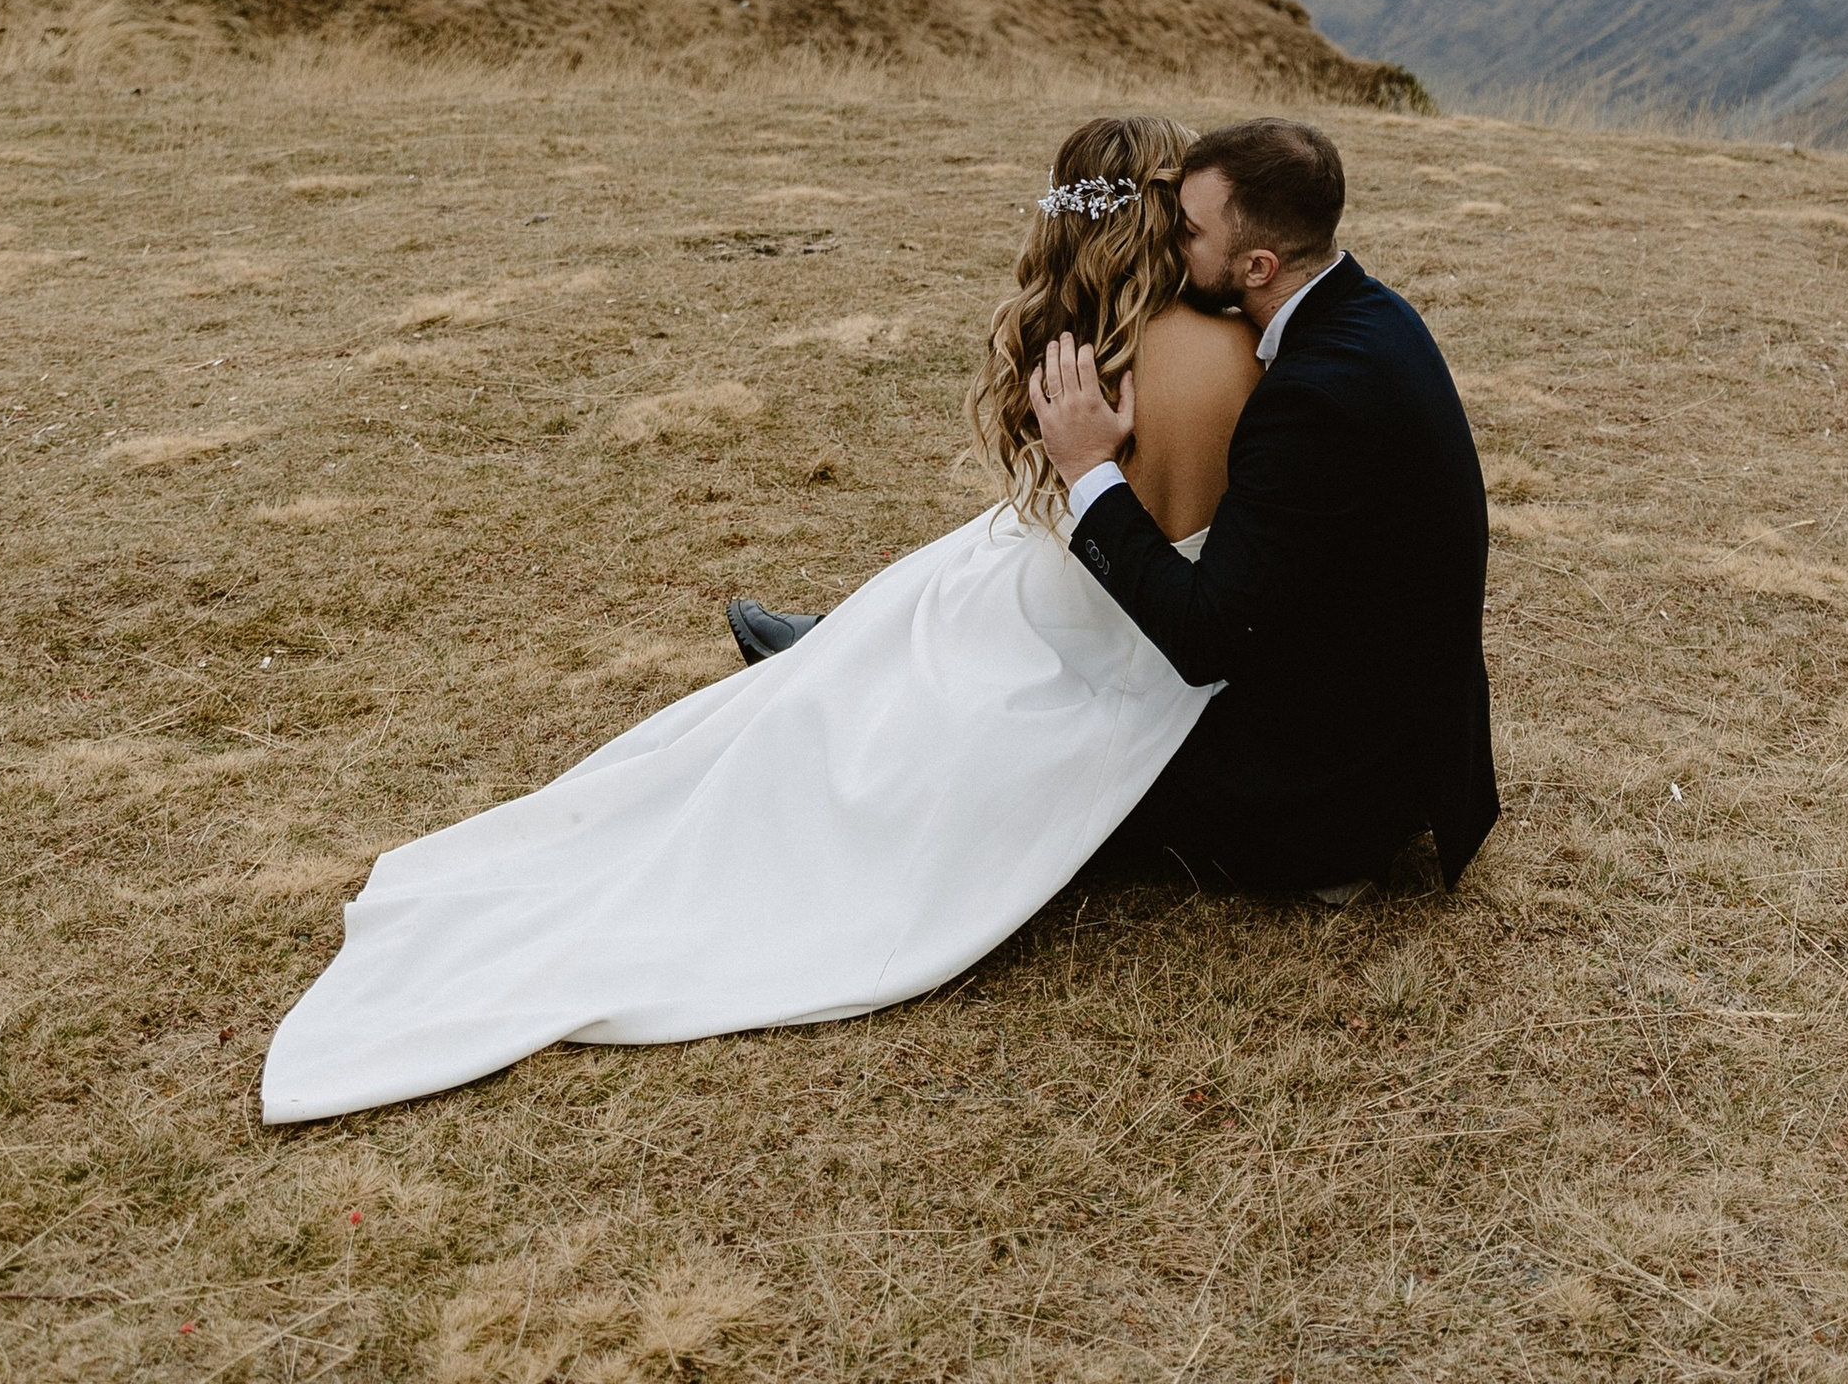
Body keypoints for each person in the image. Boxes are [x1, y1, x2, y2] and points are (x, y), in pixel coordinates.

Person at [260, 116, 1255, 1122]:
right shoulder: (1236, 350)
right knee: (933, 611)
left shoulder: (1069, 346)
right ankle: (824, 666)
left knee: (929, 610)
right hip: (1138, 620)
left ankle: (817, 667)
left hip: (1074, 589)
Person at [1034, 116, 1498, 895]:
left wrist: (1088, 471)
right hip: (1368, 710)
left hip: (1328, 791)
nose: (1163, 243)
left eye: (1184, 230)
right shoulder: (1372, 310)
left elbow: (1204, 635)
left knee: (1041, 750)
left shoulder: (1313, 398)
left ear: (1256, 264)